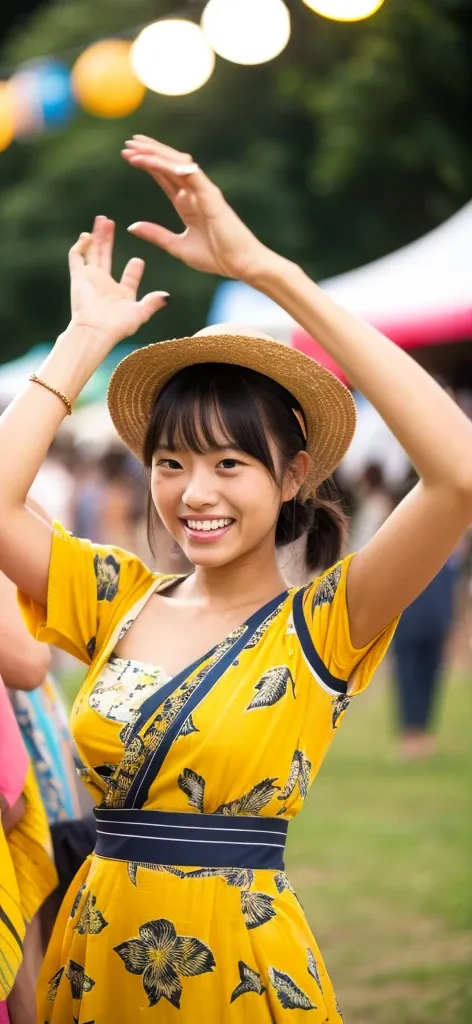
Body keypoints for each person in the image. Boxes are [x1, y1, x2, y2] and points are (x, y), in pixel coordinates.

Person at [0, 140, 471, 1024]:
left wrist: (268, 272)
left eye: (230, 463)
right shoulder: (115, 596)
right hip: (91, 962)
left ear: (292, 477)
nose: (195, 492)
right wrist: (82, 342)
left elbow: (458, 475)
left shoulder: (328, 621)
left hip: (236, 976)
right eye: (171, 462)